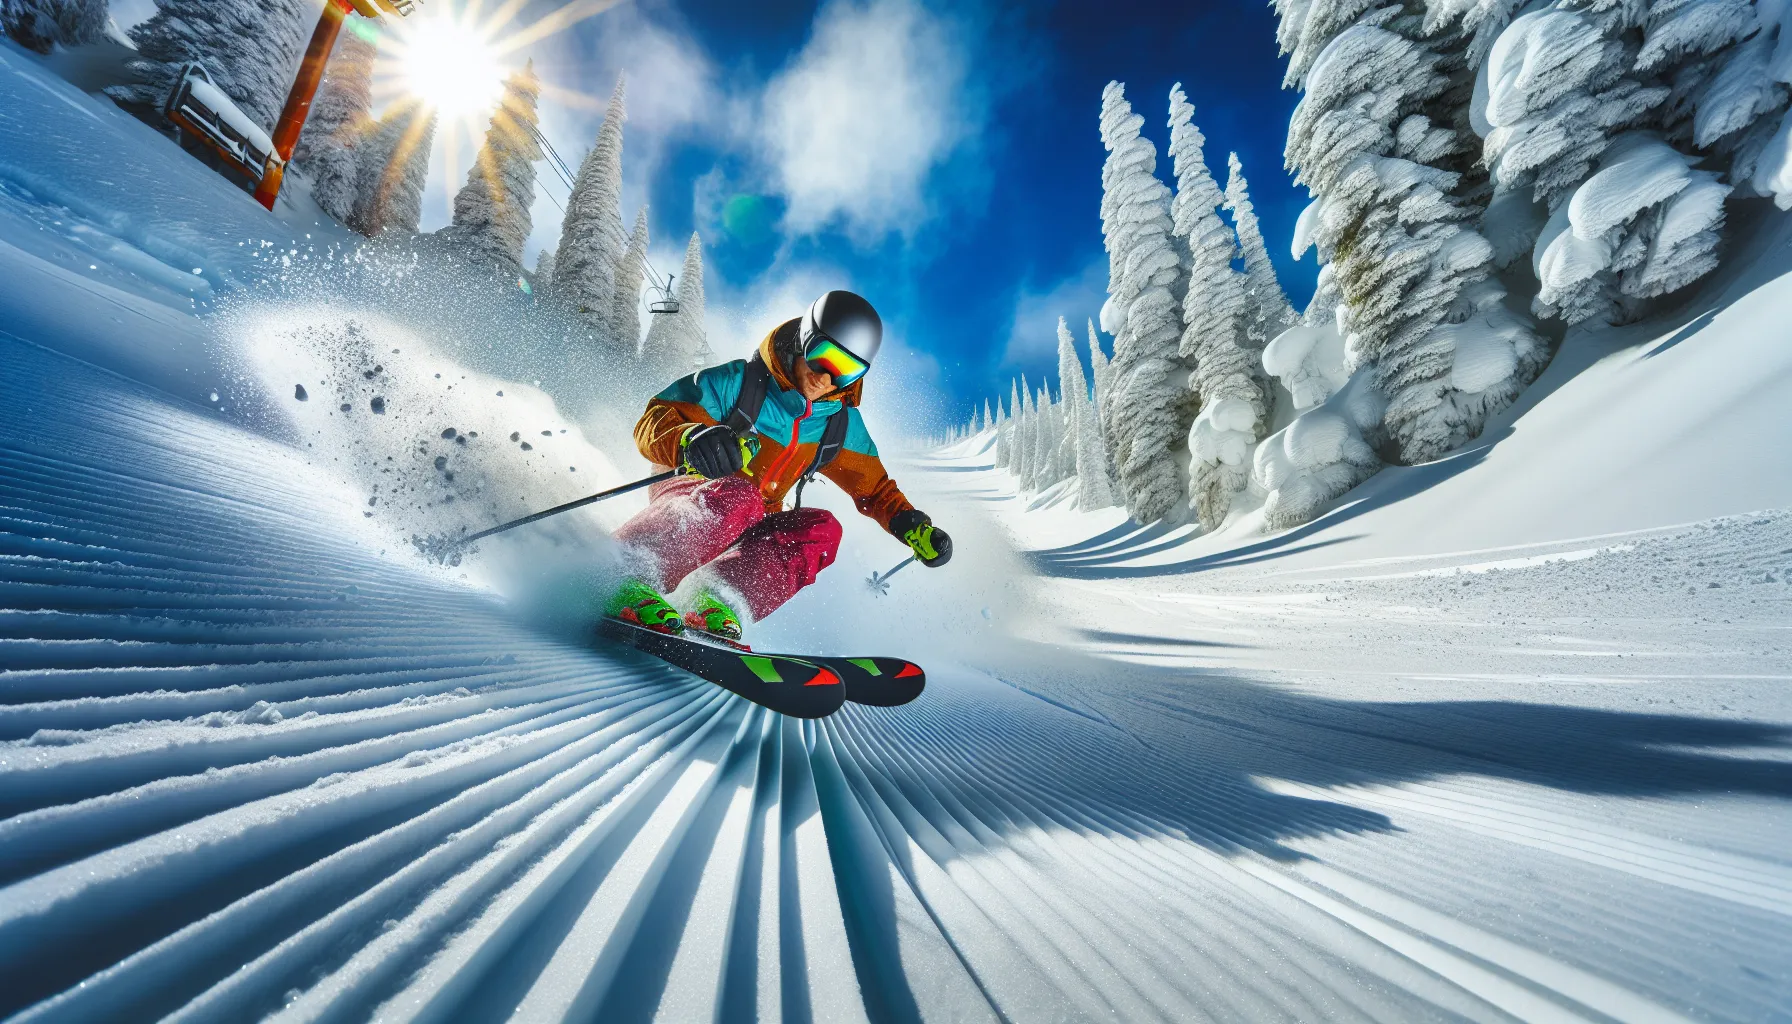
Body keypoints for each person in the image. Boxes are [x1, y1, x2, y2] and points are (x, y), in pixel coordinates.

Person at [606, 290, 951, 640]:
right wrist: (690, 439)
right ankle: (623, 574)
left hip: (754, 513)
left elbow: (875, 490)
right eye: (823, 356)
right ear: (805, 339)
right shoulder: (740, 384)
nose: (826, 378)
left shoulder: (839, 424)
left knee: (822, 531)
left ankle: (712, 599)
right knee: (742, 496)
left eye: (845, 371)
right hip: (693, 490)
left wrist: (913, 526)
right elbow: (655, 418)